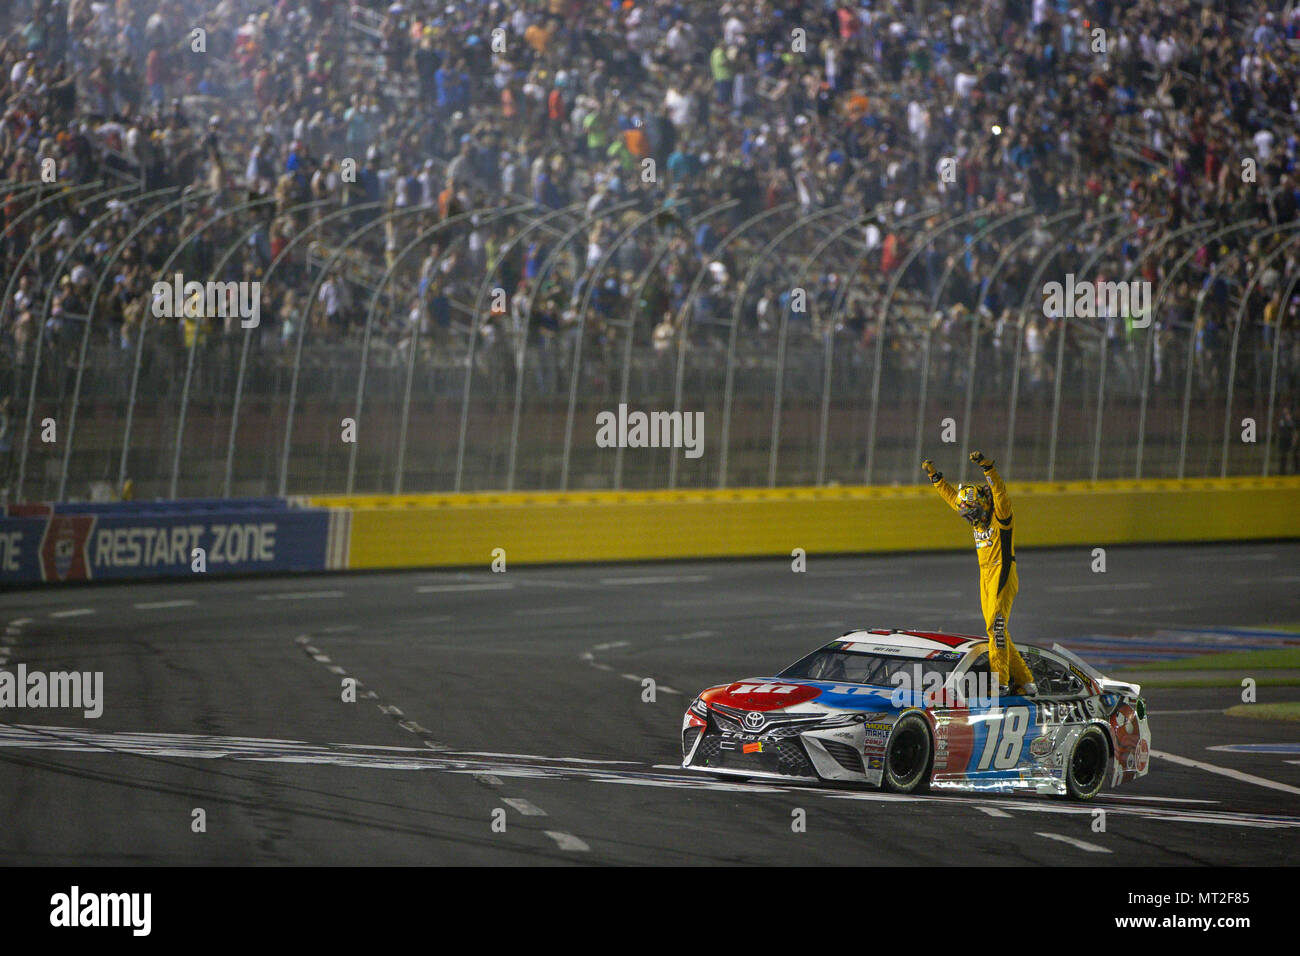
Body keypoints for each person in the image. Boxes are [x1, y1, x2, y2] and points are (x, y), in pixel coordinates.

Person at [922, 451, 1037, 696]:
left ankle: (1001, 683)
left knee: (995, 627)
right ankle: (1026, 681)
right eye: (967, 514)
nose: (971, 518)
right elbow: (953, 498)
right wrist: (935, 477)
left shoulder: (1001, 516)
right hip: (984, 575)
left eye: (973, 512)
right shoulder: (973, 514)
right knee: (996, 629)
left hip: (1003, 571)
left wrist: (988, 469)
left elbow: (1000, 492)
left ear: (984, 503)